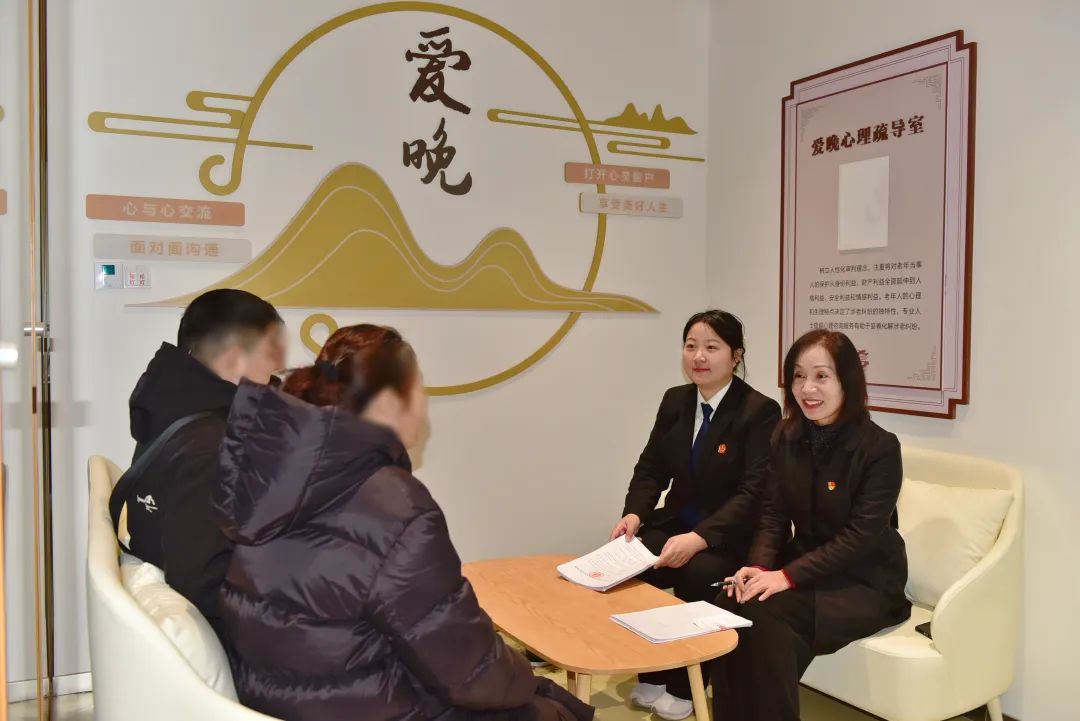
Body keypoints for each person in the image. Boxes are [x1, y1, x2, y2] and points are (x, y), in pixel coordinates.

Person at [213, 324, 593, 721]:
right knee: (555, 709)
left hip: (290, 702)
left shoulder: (269, 480)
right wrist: (527, 678)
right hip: (369, 707)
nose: (424, 406)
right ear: (389, 403)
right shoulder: (393, 505)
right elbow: (472, 674)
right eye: (419, 389)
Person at [712, 329, 911, 721]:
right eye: (799, 376)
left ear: (847, 381)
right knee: (731, 601)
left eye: (821, 376)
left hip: (863, 581)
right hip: (806, 568)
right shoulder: (785, 435)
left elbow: (859, 538)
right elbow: (772, 516)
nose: (807, 388)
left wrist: (786, 577)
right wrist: (760, 567)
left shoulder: (880, 448)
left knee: (766, 616)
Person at [612, 310, 781, 720]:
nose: (699, 357)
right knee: (630, 562)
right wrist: (634, 514)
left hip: (728, 534)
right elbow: (651, 468)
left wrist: (700, 537)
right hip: (677, 522)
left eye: (711, 347)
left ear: (736, 355)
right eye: (691, 346)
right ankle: (652, 671)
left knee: (698, 573)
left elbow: (753, 493)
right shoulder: (676, 400)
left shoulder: (759, 411)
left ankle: (686, 684)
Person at [111, 288, 285, 641]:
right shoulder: (212, 445)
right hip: (249, 643)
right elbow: (205, 586)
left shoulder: (174, 412)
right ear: (236, 359)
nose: (275, 373)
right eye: (269, 358)